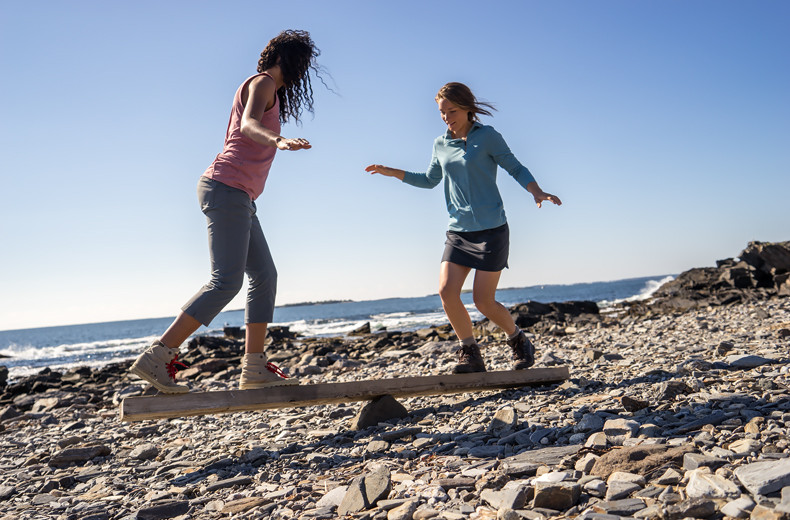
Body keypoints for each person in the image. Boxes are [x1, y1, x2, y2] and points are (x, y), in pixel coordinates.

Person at [130, 30, 322, 393]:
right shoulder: (262, 82)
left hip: (240, 196)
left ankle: (254, 367)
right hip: (226, 187)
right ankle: (158, 355)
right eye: (302, 63)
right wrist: (278, 140)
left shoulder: (271, 91)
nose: (304, 71)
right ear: (286, 58)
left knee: (265, 275)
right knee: (226, 281)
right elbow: (249, 124)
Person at [365, 82, 561, 374]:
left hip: (492, 229)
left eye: (451, 111)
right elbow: (430, 179)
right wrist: (393, 172)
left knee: (483, 301)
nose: (446, 117)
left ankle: (518, 340)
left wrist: (536, 191)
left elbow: (515, 167)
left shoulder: (489, 137)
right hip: (458, 231)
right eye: (442, 112)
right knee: (446, 291)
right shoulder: (440, 144)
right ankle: (470, 352)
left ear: (468, 109)